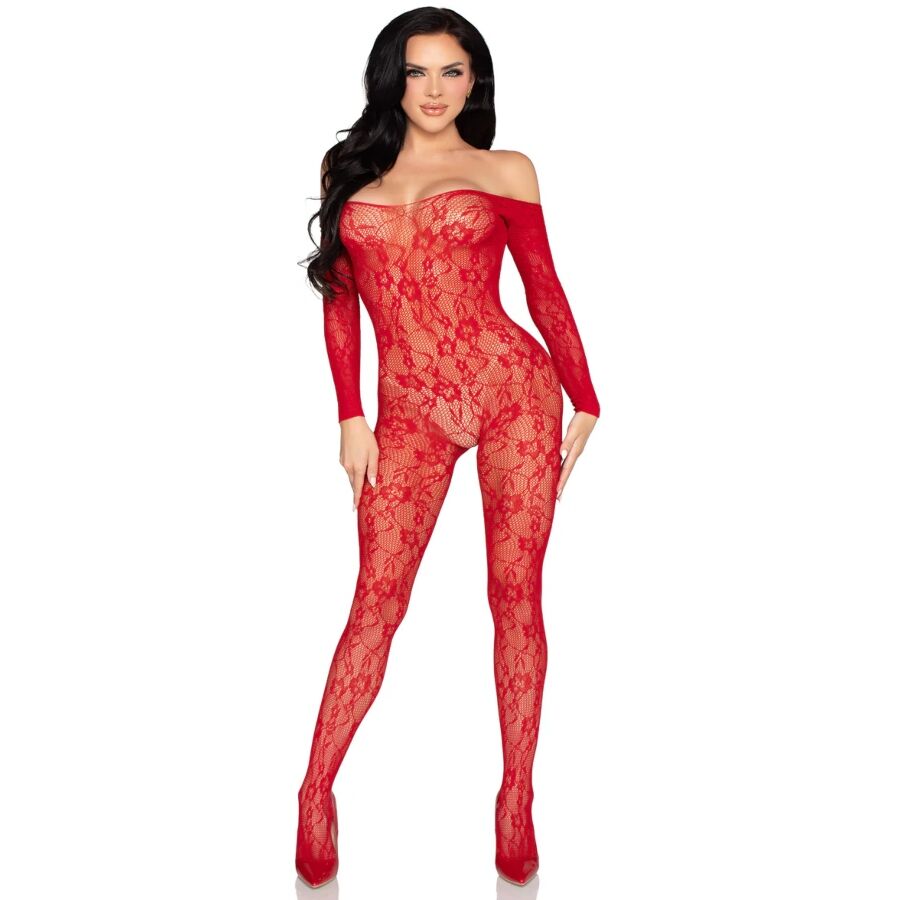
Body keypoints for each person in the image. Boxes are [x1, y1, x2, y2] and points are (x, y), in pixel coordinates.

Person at [295, 8, 601, 889]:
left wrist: (585, 395)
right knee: (376, 602)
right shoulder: (348, 170)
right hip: (407, 412)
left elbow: (544, 290)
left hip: (513, 394)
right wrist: (349, 416)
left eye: (451, 72)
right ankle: (314, 791)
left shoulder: (506, 170)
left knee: (515, 597)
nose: (433, 90)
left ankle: (517, 796)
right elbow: (340, 302)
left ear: (475, 80)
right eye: (417, 71)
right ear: (391, 79)